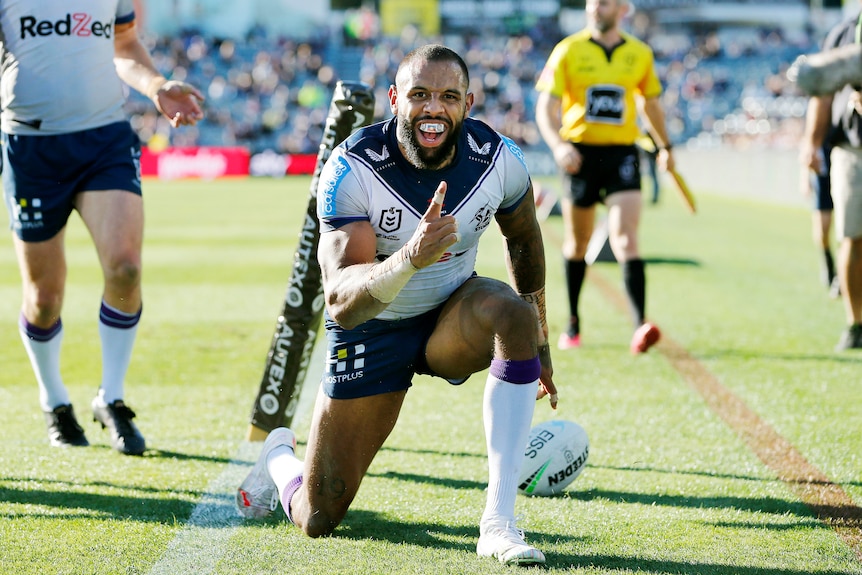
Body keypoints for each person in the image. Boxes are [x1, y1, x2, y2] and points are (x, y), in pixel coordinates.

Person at [236, 44, 558, 566]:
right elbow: (341, 302)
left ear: (469, 103)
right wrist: (408, 258)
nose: (434, 108)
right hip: (373, 327)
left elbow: (523, 238)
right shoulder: (354, 167)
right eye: (420, 95)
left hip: (452, 313)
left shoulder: (499, 158)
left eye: (448, 96)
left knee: (513, 315)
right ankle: (278, 456)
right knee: (318, 517)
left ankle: (499, 524)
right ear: (394, 100)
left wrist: (538, 342)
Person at [1, 1, 204, 453]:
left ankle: (110, 397)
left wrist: (156, 86)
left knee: (126, 267)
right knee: (44, 297)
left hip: (103, 140)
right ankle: (55, 402)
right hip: (29, 147)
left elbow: (125, 43)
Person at [535, 0, 676, 354]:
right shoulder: (568, 51)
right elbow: (546, 109)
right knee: (577, 244)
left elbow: (650, 104)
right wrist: (558, 146)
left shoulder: (640, 54)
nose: (598, 9)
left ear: (622, 9)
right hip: (579, 156)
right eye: (594, 3)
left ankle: (639, 325)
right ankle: (573, 323)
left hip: (622, 155)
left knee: (626, 238)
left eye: (606, 3)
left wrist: (666, 147)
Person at [799, 3, 862, 351]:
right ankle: (856, 324)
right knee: (852, 236)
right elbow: (820, 94)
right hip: (853, 149)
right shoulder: (843, 31)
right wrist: (810, 143)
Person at [800, 137, 840, 299]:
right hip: (822, 171)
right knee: (822, 229)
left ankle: (841, 277)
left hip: (846, 163)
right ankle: (828, 262)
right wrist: (804, 176)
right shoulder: (820, 112)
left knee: (848, 232)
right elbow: (809, 136)